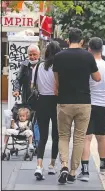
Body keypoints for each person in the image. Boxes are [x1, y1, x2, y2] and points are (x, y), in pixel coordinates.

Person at [53, 28, 101, 184]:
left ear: (67, 40)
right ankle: (73, 172)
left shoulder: (59, 57)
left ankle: (64, 166)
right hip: (83, 102)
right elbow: (97, 78)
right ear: (81, 41)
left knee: (63, 136)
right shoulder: (88, 56)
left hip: (64, 101)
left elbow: (57, 83)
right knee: (79, 138)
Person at [77, 37, 105, 181]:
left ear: (89, 49)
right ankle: (103, 164)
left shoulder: (85, 66)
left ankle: (85, 170)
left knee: (86, 138)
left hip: (87, 104)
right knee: (101, 137)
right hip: (103, 105)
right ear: (102, 49)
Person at [32, 41, 61, 180]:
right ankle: (52, 165)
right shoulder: (59, 67)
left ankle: (39, 166)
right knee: (56, 135)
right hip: (56, 102)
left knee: (43, 136)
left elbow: (34, 85)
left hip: (41, 102)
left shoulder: (38, 66)